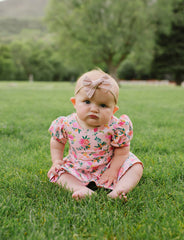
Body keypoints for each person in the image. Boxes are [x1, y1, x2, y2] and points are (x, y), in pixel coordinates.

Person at [47, 69, 143, 200]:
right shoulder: (66, 123)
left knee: (136, 166)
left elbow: (122, 150)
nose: (94, 109)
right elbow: (57, 141)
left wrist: (113, 170)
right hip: (78, 167)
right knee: (57, 173)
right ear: (75, 103)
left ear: (113, 110)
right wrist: (57, 161)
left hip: (109, 164)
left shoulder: (116, 126)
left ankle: (119, 190)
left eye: (103, 105)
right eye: (87, 102)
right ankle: (79, 188)